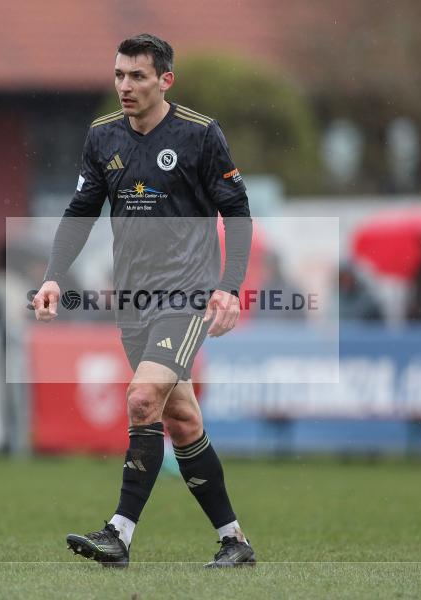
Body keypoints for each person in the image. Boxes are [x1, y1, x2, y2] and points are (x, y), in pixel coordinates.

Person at [31, 34, 255, 568]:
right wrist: (53, 276)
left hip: (186, 296)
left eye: (137, 76)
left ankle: (118, 535)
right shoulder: (102, 136)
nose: (125, 86)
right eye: (119, 75)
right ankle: (235, 542)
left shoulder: (201, 135)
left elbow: (238, 212)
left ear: (165, 81)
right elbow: (81, 209)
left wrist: (228, 285)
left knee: (140, 398)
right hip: (132, 301)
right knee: (181, 420)